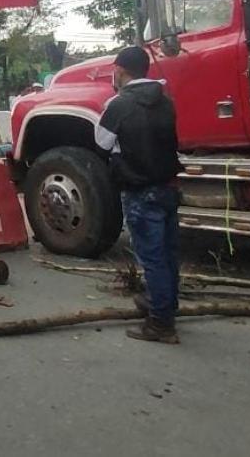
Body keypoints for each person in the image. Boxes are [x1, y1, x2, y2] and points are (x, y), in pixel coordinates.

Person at [95, 46, 182, 344]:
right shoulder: (165, 102)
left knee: (152, 258)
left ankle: (161, 324)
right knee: (168, 255)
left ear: (119, 70)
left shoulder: (120, 104)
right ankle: (166, 306)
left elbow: (101, 142)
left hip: (140, 190)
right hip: (168, 187)